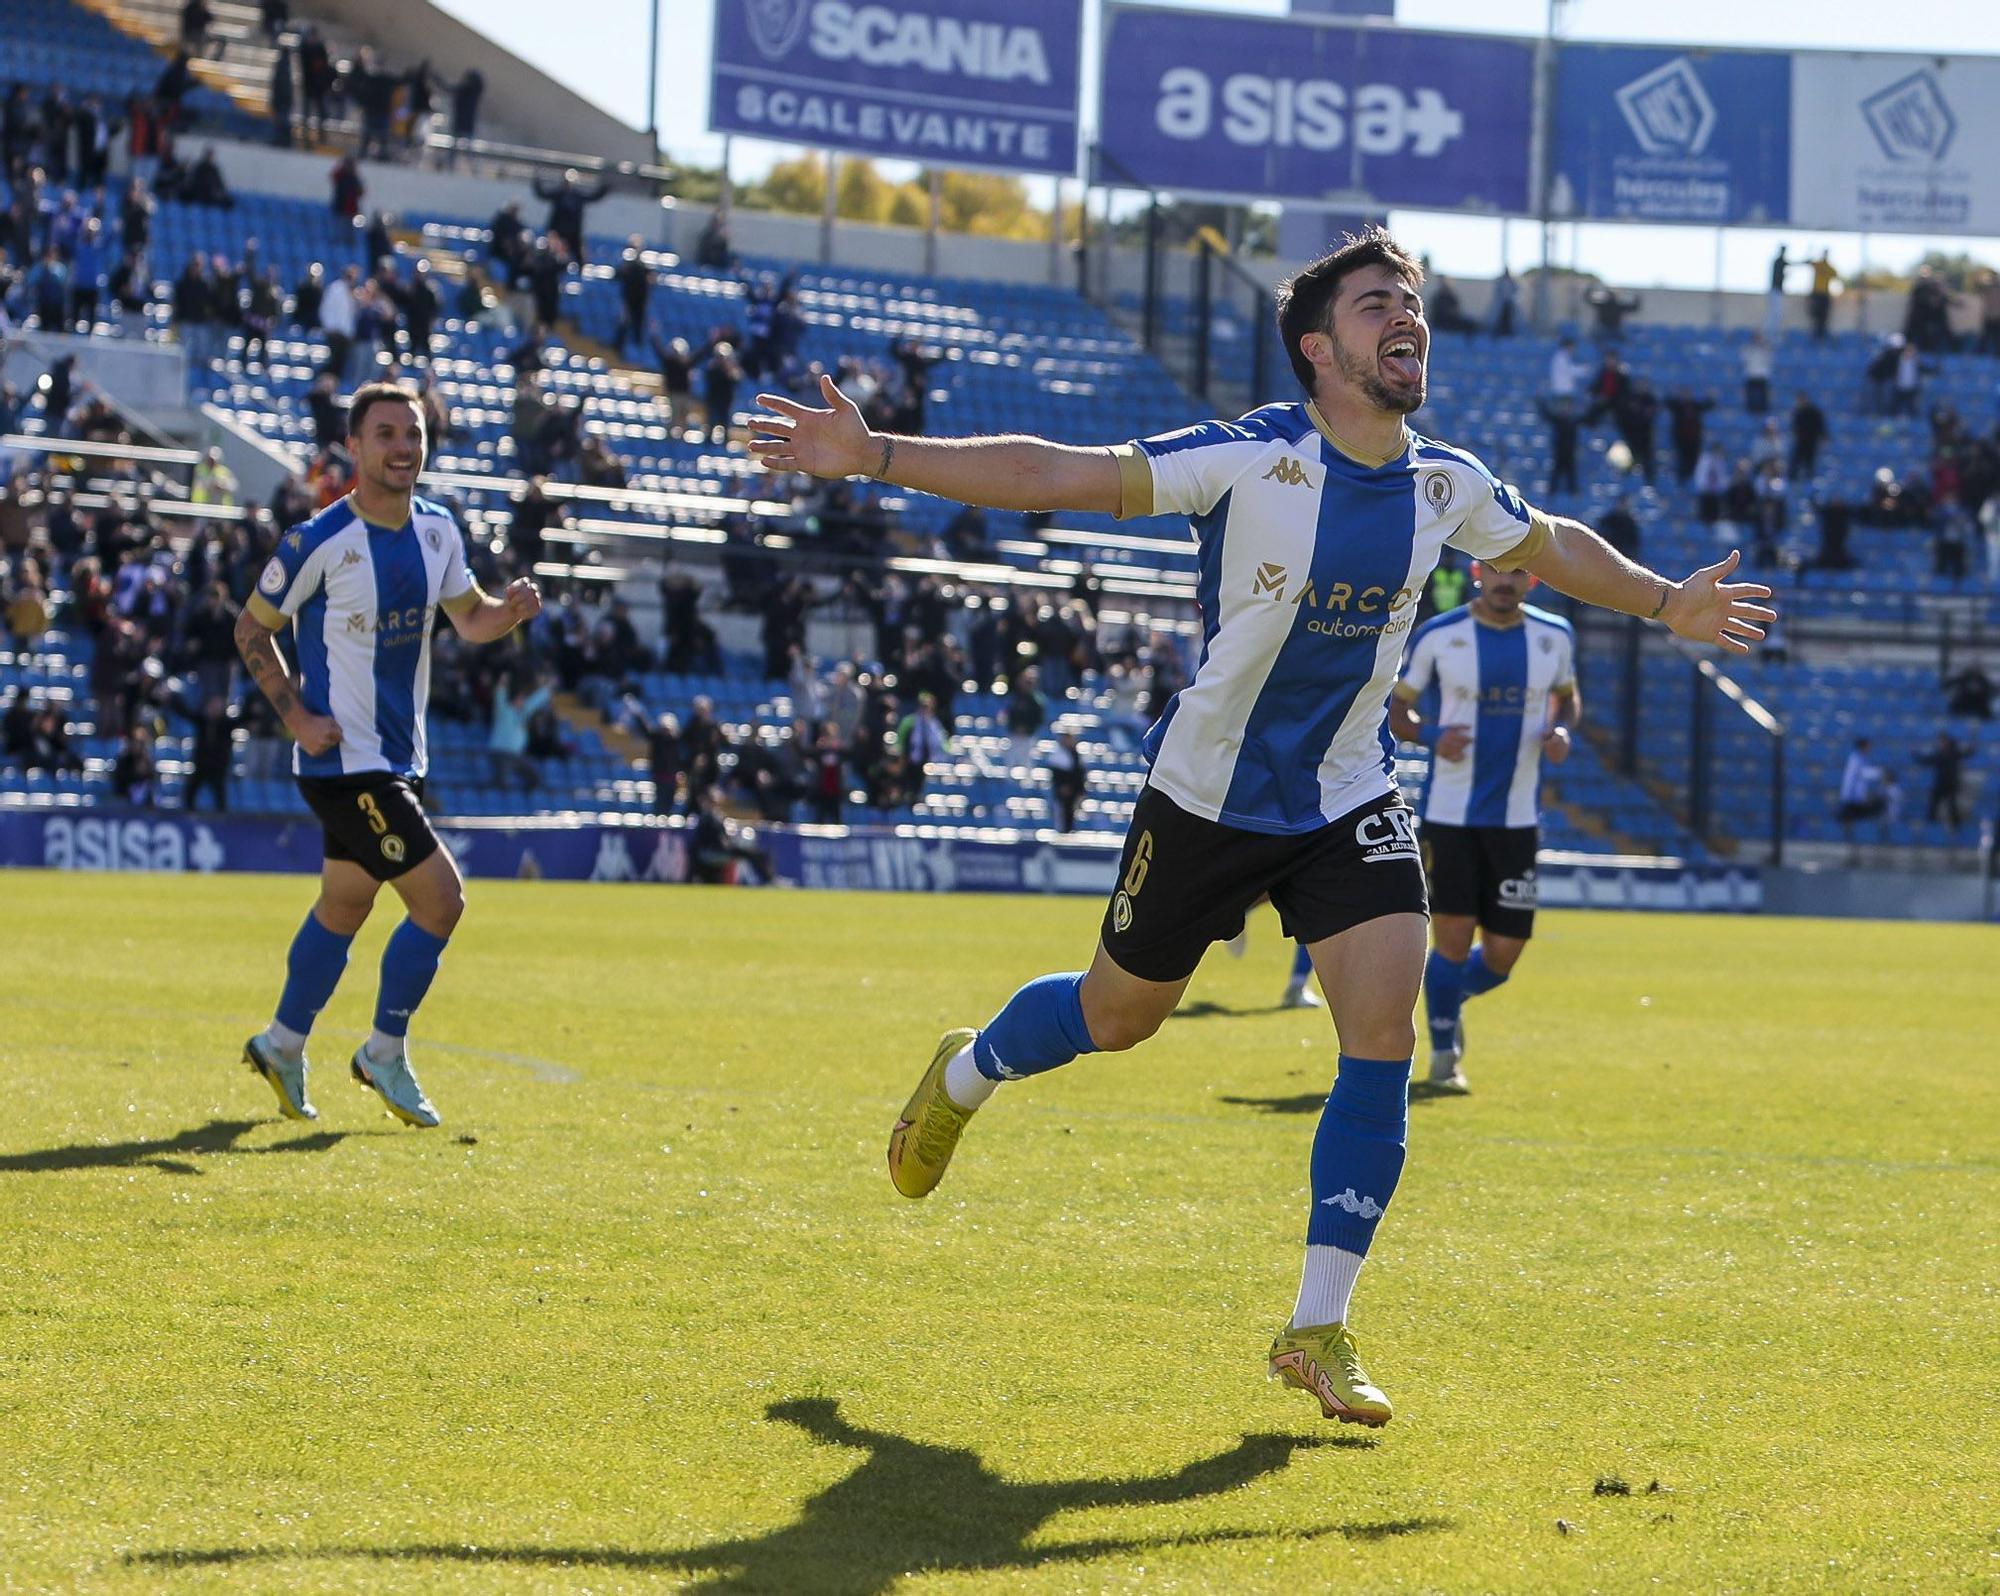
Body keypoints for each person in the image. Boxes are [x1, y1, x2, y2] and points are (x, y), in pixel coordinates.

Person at [749, 228, 1773, 1428]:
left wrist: (1664, 602)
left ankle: (1317, 1326)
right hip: (1204, 797)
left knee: (1379, 1029)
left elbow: (1546, 545)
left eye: (1412, 302)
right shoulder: (1247, 459)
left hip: (1347, 795)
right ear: (1317, 347)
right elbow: (1051, 472)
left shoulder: (1446, 484)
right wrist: (876, 454)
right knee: (1115, 1017)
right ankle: (966, 1072)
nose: (1406, 318)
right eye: (1375, 302)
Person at [233, 382, 543, 1129]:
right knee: (442, 900)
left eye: (412, 433)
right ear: (355, 446)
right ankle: (383, 1051)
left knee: (344, 905)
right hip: (346, 763)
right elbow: (251, 630)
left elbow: (468, 620)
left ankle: (280, 1043)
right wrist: (297, 719)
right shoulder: (319, 541)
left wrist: (507, 613)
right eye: (385, 434)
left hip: (398, 760)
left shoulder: (438, 531)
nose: (402, 446)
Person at [1390, 561, 1577, 1091]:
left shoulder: (1554, 636)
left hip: (1517, 821)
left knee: (1502, 956)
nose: (1505, 580)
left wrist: (1560, 729)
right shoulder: (1439, 635)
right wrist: (1432, 737)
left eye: (1517, 572)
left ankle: (1448, 995)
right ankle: (1445, 1055)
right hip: (1450, 818)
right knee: (1450, 939)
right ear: (1477, 572)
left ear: (1533, 580)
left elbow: (1568, 699)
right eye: (1495, 569)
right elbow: (1397, 712)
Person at [1916, 732, 1972, 830]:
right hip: (1940, 784)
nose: (1940, 743)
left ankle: (1957, 827)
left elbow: (1967, 753)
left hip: (1951, 784)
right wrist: (1916, 756)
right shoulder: (1939, 755)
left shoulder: (1954, 752)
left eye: (1942, 741)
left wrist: (1972, 746)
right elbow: (1927, 760)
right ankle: (1932, 827)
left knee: (1952, 806)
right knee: (1933, 804)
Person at [1807, 252, 1841, 340]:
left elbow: (1836, 275)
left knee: (1824, 316)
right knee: (1815, 315)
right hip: (1816, 294)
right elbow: (1808, 262)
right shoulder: (1818, 264)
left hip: (1825, 294)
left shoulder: (1829, 267)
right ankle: (1815, 335)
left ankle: (1822, 335)